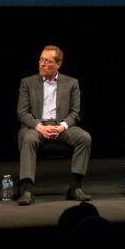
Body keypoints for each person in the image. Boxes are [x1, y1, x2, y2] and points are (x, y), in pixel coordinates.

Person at [16, 45, 92, 205]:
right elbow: (22, 113)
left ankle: (75, 188)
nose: (42, 64)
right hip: (36, 127)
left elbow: (75, 113)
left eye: (47, 61)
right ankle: (27, 191)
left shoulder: (71, 83)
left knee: (84, 137)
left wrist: (62, 126)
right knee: (28, 139)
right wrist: (40, 127)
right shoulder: (27, 83)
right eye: (41, 60)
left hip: (61, 126)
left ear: (58, 64)